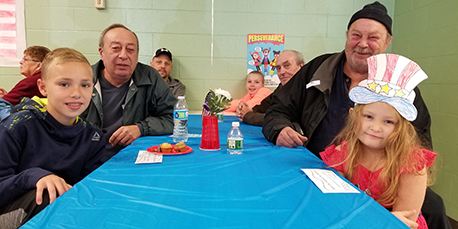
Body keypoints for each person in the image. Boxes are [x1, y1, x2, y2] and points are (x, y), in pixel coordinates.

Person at [262, 2, 451, 229]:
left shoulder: (404, 91)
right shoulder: (316, 69)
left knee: (434, 206)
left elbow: (418, 143)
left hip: (390, 184)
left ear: (387, 41)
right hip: (323, 173)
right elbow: (277, 109)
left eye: (373, 37)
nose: (362, 44)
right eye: (356, 35)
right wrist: (279, 129)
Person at [321, 53, 436, 229]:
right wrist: (378, 219)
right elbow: (336, 202)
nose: (376, 127)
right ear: (353, 116)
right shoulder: (343, 153)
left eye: (388, 121)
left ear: (403, 127)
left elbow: (405, 221)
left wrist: (374, 220)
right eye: (368, 116)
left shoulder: (411, 165)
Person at [0, 48, 106, 228]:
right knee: (49, 194)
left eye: (85, 85)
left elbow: (88, 189)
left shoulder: (92, 136)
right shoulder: (17, 127)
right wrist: (33, 176)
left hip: (62, 211)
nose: (76, 93)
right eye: (64, 84)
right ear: (43, 87)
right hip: (12, 209)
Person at [81, 24, 177, 160]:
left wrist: (141, 128)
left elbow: (174, 118)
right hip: (89, 165)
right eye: (116, 48)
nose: (123, 55)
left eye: (130, 50)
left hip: (135, 160)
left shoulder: (151, 77)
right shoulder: (83, 80)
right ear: (101, 52)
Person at [235, 50, 304, 126]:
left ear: (302, 67)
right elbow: (265, 106)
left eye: (287, 65)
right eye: (278, 68)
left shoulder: (308, 90)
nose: (281, 72)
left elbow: (283, 119)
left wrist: (248, 115)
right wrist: (245, 110)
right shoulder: (283, 88)